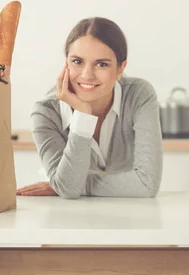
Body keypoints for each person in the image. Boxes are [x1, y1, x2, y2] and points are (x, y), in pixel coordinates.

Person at [16, 17, 163, 199]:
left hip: (131, 216)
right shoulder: (46, 112)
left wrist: (70, 184)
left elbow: (146, 185)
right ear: (66, 63)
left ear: (120, 69)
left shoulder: (139, 94)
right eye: (77, 61)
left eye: (101, 64)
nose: (87, 75)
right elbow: (69, 190)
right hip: (68, 218)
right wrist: (83, 116)